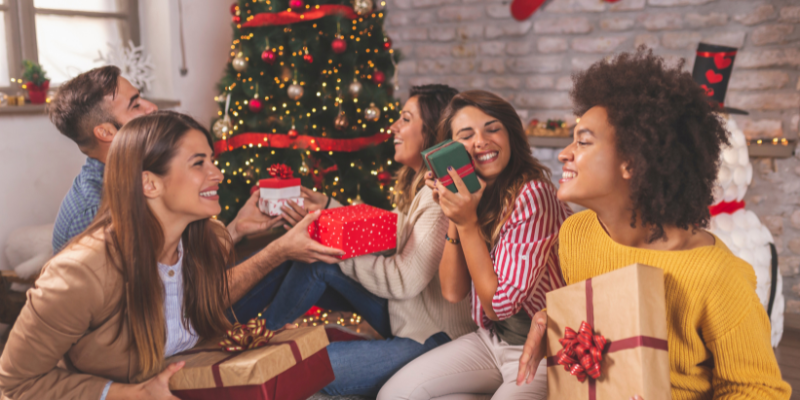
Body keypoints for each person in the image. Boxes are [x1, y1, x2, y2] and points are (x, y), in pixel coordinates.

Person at [0, 111, 344, 400]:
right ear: (149, 184)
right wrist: (130, 394)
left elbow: (213, 275)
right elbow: (15, 383)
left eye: (212, 160)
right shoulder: (79, 273)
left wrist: (239, 227)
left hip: (199, 375)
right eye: (199, 163)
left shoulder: (203, 236)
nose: (218, 173)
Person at [516, 49, 792, 400]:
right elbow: (603, 325)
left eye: (583, 141)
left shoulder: (718, 277)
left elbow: (759, 391)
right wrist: (552, 319)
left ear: (631, 162)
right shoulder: (577, 235)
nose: (563, 153)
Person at [228, 84, 475, 397]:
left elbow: (403, 281)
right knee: (312, 259)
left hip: (432, 336)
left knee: (304, 371)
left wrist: (331, 243)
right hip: (409, 315)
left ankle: (253, 333)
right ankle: (252, 331)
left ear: (432, 131)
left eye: (405, 119)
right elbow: (395, 230)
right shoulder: (422, 186)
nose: (394, 127)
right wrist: (328, 205)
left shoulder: (439, 195)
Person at [378, 90, 572, 400]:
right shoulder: (474, 197)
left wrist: (467, 222)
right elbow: (453, 292)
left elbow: (500, 305)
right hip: (492, 341)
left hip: (542, 353)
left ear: (511, 135)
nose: (481, 141)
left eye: (492, 129)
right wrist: (454, 209)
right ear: (451, 150)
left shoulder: (534, 195)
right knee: (395, 394)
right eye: (466, 136)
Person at [49, 66, 272, 253]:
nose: (152, 108)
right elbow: (163, 296)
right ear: (106, 132)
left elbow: (180, 271)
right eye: (135, 105)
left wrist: (237, 229)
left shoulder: (141, 171)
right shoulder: (94, 213)